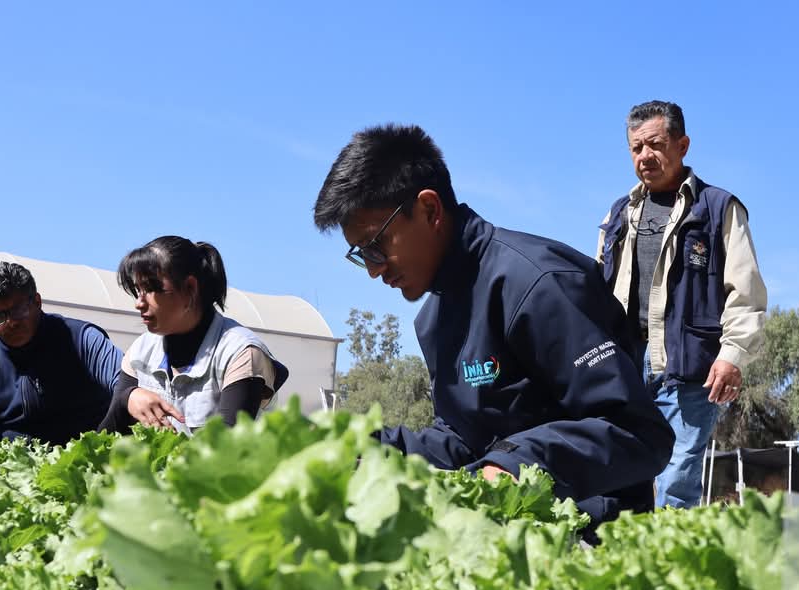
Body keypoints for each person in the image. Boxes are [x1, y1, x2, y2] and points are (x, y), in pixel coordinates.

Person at [314, 123, 674, 533]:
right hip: (502, 538)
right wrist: (368, 448)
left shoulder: (537, 283)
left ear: (429, 210)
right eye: (361, 255)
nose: (374, 270)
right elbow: (462, 439)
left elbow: (640, 432)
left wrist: (513, 465)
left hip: (590, 541)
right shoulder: (434, 318)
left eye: (376, 245)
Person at [596, 101, 767, 509]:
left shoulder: (719, 208)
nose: (644, 157)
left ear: (682, 144)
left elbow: (746, 291)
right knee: (621, 474)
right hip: (624, 364)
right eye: (636, 148)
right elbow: (597, 289)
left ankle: (672, 568)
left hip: (690, 371)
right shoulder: (619, 214)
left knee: (676, 480)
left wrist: (733, 356)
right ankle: (624, 565)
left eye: (654, 144)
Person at [97, 235, 289, 434]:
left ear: (190, 288)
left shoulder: (240, 353)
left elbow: (226, 452)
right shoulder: (140, 351)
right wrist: (127, 398)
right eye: (138, 290)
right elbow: (106, 438)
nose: (139, 303)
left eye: (151, 289)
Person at [0, 262, 123, 447]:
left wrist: (134, 396)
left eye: (18, 310)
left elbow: (125, 384)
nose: (11, 323)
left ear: (37, 302)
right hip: (19, 471)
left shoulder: (81, 339)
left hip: (88, 461)